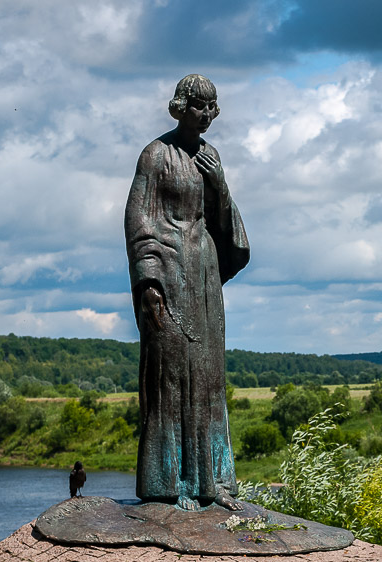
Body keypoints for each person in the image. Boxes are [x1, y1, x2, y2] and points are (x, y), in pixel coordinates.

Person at [124, 74, 248, 512]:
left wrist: (221, 186)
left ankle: (214, 481)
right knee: (171, 378)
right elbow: (138, 219)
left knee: (209, 379)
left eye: (214, 108)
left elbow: (223, 222)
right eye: (201, 106)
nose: (208, 115)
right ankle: (169, 482)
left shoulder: (211, 157)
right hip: (170, 276)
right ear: (182, 106)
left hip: (205, 278)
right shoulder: (156, 156)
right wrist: (149, 281)